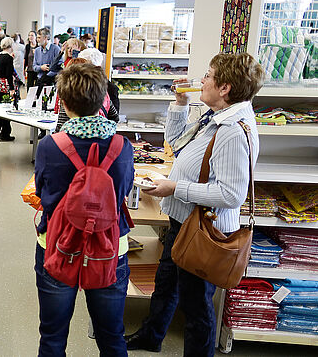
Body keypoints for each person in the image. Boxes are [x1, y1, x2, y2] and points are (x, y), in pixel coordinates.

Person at [125, 53, 263, 356]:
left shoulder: (232, 131)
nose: (202, 80)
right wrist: (180, 104)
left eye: (209, 75)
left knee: (196, 307)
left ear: (225, 87)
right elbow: (176, 143)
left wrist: (175, 186)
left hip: (203, 230)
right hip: (183, 222)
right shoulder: (215, 117)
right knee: (166, 285)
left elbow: (230, 195)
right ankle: (152, 336)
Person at [34, 62, 135, 357]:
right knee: (112, 336)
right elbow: (123, 192)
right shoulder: (122, 146)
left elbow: (43, 191)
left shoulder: (49, 146)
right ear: (104, 99)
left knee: (52, 336)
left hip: (58, 244)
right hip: (110, 247)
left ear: (62, 102)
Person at [0, 37, 23, 141]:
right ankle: (5, 134)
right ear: (10, 46)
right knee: (7, 109)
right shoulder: (8, 58)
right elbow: (9, 74)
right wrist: (12, 89)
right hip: (5, 86)